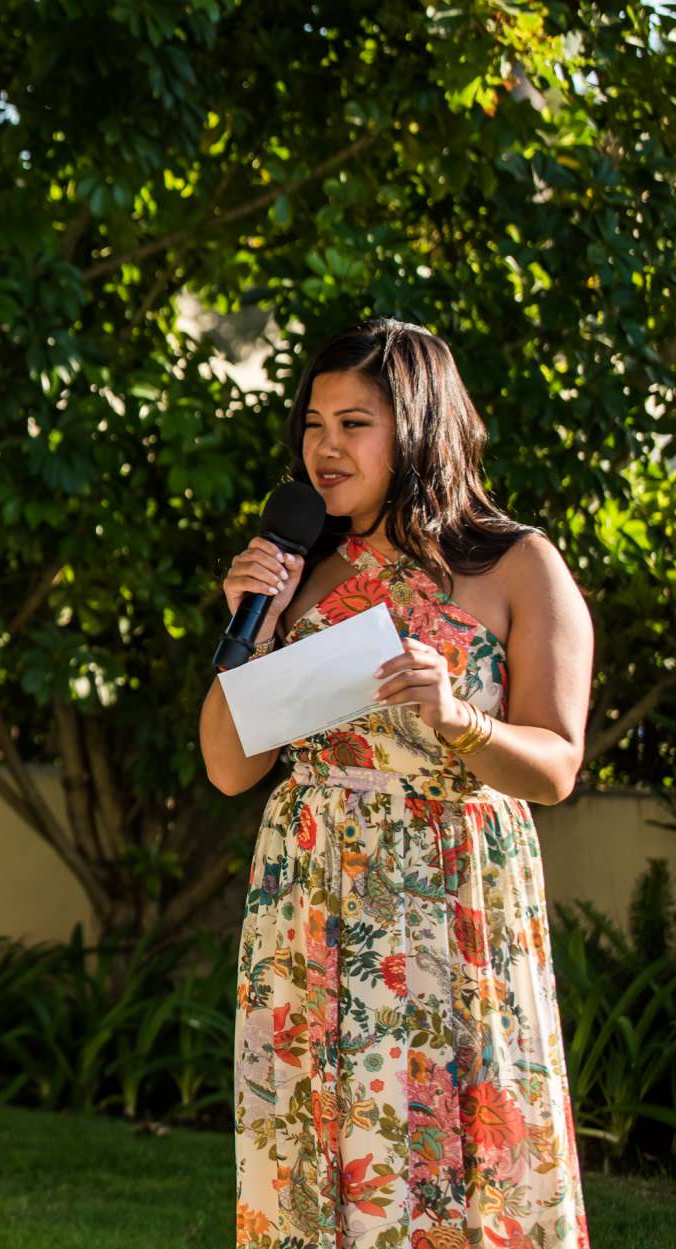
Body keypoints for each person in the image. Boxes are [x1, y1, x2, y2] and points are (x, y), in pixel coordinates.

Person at [200, 318, 591, 1246]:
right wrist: (249, 628)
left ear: (416, 425)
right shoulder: (301, 575)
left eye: (354, 423)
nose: (324, 447)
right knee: (316, 1146)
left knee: (455, 1152)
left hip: (454, 898)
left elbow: (558, 765)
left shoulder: (514, 565)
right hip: (316, 902)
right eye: (313, 423)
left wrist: (461, 720)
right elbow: (227, 765)